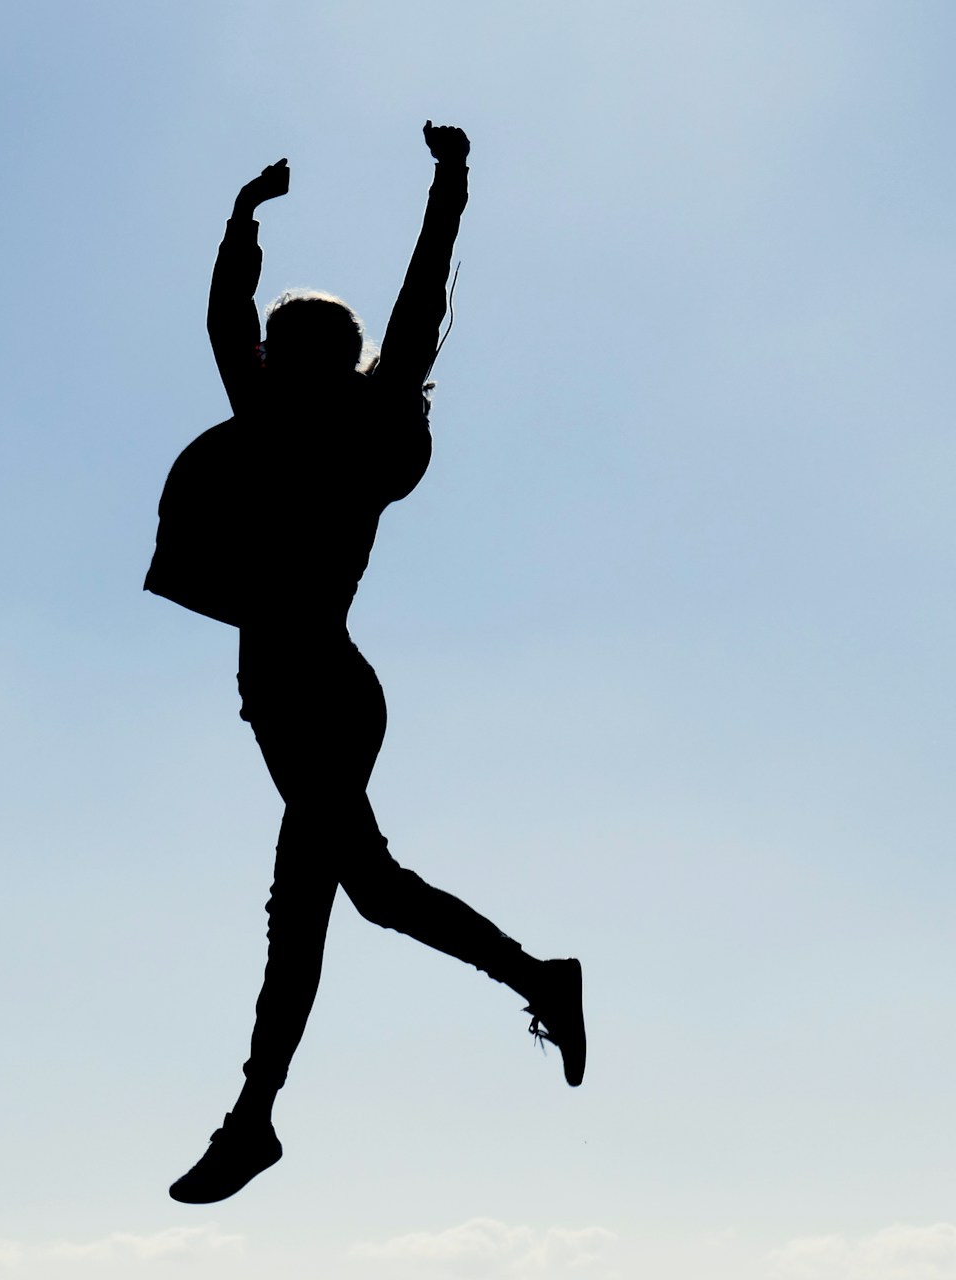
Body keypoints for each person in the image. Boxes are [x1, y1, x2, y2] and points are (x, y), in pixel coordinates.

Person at [166, 123, 586, 1206]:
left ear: (304, 358)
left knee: (306, 908)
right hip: (304, 691)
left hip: (317, 689)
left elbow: (408, 310)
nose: (258, 353)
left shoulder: (328, 424)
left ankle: (254, 1115)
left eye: (274, 342)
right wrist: (250, 222)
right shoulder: (317, 419)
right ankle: (537, 977)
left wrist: (251, 217)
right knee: (369, 893)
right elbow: (257, 320)